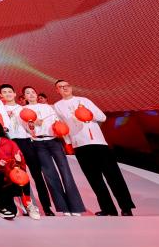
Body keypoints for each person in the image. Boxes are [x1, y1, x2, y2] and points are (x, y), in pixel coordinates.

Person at [54, 80, 134, 216]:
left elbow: (102, 117)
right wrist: (68, 143)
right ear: (57, 91)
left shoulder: (84, 100)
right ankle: (108, 209)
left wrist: (86, 112)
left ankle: (126, 207)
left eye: (66, 86)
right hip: (80, 145)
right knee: (94, 179)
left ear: (71, 87)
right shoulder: (57, 106)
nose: (64, 88)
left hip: (98, 143)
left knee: (113, 176)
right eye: (61, 87)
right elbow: (63, 126)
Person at [22, 86, 85, 216]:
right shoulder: (23, 110)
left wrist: (67, 142)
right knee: (50, 175)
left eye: (33, 92)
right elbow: (26, 129)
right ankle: (64, 208)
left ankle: (75, 207)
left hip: (54, 141)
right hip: (39, 143)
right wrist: (33, 124)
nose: (31, 94)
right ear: (25, 97)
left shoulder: (48, 107)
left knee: (65, 172)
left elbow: (58, 123)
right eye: (28, 93)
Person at [0, 84, 51, 215]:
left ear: (15, 94)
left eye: (10, 91)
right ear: (1, 96)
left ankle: (46, 207)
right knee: (16, 174)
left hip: (26, 142)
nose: (8, 94)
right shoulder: (0, 110)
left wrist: (32, 125)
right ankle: (24, 204)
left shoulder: (23, 109)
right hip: (10, 143)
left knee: (37, 174)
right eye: (4, 92)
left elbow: (31, 129)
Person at [0, 117, 37, 220]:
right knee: (12, 212)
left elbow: (20, 163)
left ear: (0, 127)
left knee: (22, 175)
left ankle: (28, 204)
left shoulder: (10, 143)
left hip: (11, 180)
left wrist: (18, 161)